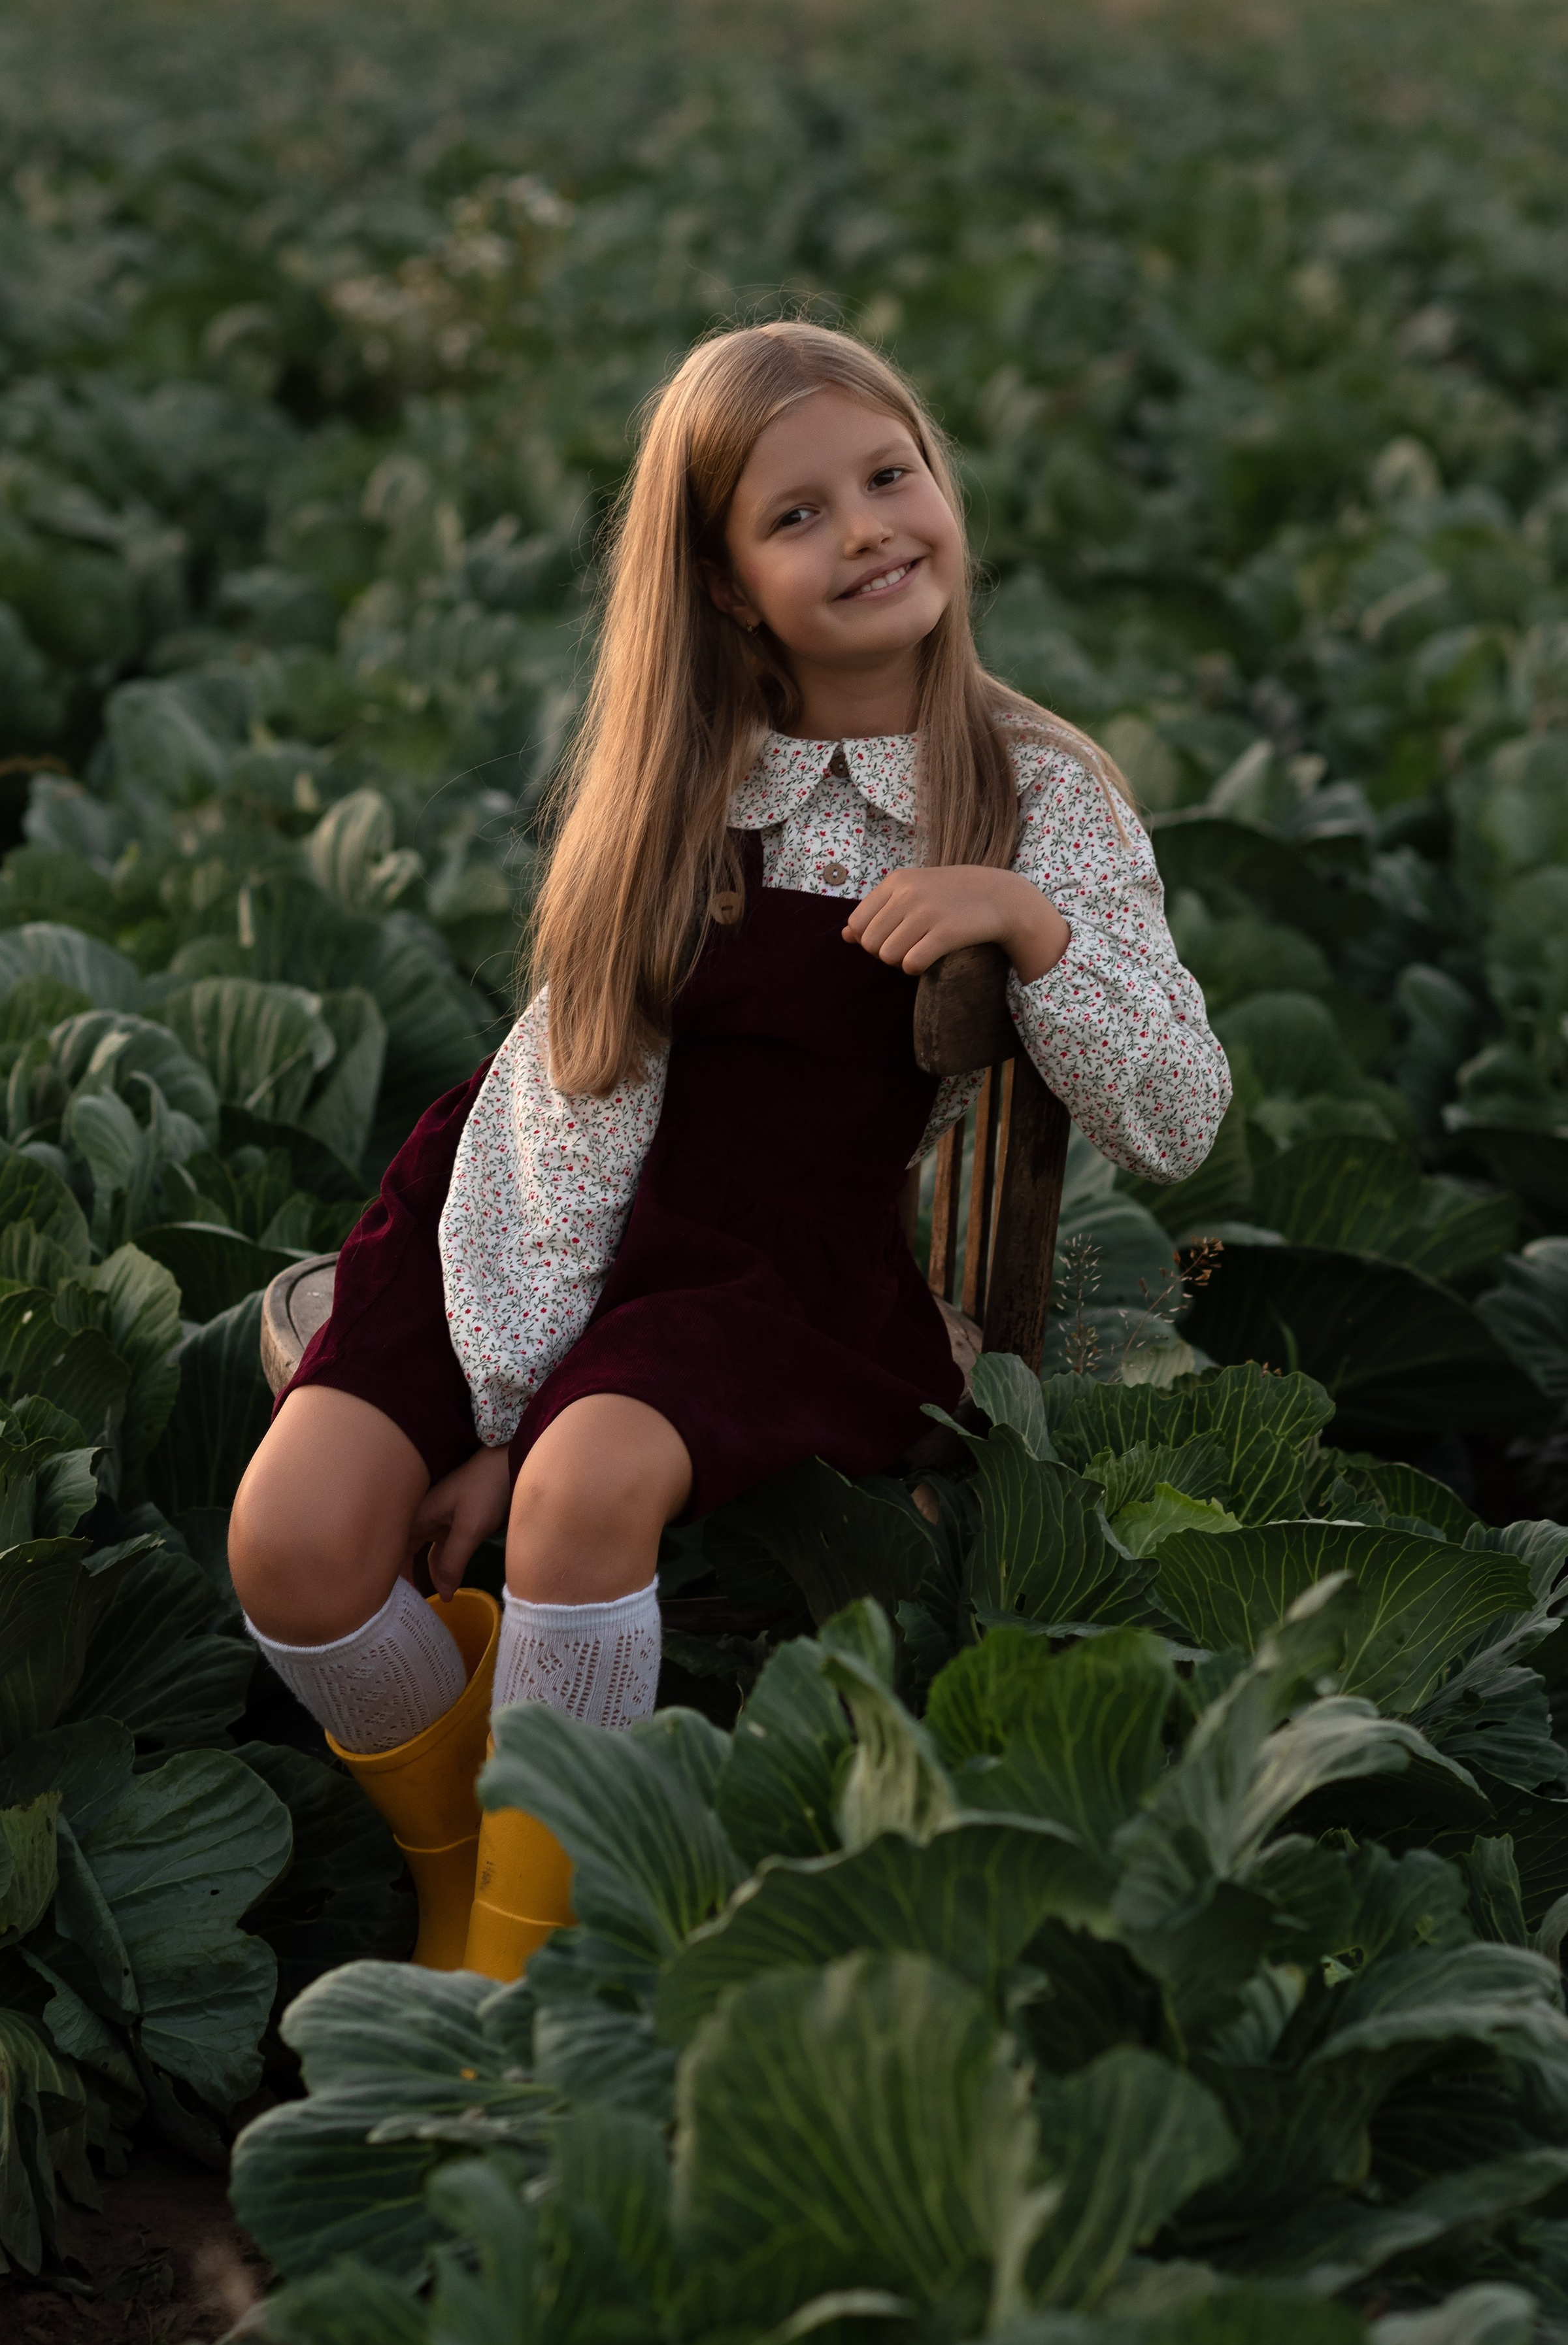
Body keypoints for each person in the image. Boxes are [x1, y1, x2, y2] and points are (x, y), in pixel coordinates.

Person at [228, 320, 1231, 1981]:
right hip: (520, 1212)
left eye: (888, 476)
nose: (863, 530)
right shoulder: (678, 779)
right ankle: (464, 1850)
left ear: (940, 487)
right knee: (296, 1536)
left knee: (590, 1483)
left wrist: (1033, 928)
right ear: (715, 583)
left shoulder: (1035, 793)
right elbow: (570, 1112)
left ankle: (530, 1967)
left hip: (785, 1260)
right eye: (794, 516)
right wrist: (503, 1404)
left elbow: (1178, 1117)